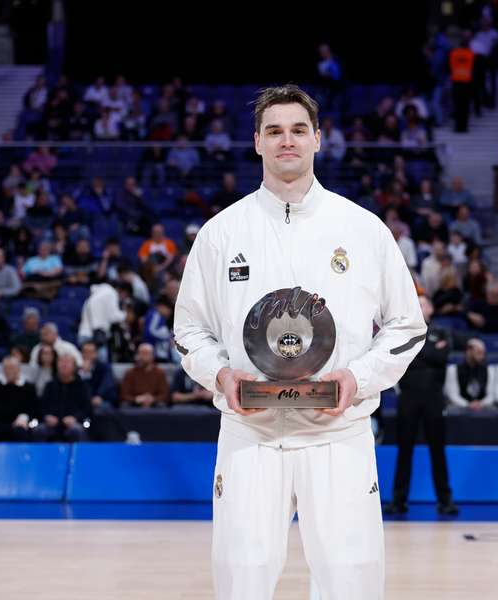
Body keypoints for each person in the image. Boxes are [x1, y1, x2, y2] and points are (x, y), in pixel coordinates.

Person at [174, 85, 426, 599]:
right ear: (257, 143)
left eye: (296, 130)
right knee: (240, 580)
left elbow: (407, 326)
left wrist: (357, 379)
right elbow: (189, 332)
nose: (285, 141)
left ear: (317, 139)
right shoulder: (221, 233)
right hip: (251, 434)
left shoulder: (363, 229)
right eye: (274, 131)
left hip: (339, 434)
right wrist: (221, 374)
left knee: (350, 582)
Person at [386, 295, 459, 517]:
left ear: (431, 308)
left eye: (423, 303)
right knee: (404, 451)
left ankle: (445, 500)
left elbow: (442, 357)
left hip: (434, 398)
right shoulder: (402, 332)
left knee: (438, 450)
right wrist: (430, 350)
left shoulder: (442, 331)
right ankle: (398, 501)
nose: (418, 306)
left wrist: (417, 350)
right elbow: (400, 359)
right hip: (408, 397)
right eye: (415, 302)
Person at [0, 356, 40, 442]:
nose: (9, 371)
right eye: (6, 368)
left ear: (18, 369)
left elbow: (34, 409)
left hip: (19, 423)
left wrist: (24, 417)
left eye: (12, 368)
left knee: (22, 430)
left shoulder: (28, 388)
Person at [33, 353, 90, 442]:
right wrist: (47, 417)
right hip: (52, 424)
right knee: (39, 430)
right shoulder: (50, 385)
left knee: (77, 430)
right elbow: (41, 406)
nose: (64, 364)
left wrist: (75, 418)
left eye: (67, 362)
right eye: (61, 362)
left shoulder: (82, 386)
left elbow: (87, 408)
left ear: (74, 367)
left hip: (73, 423)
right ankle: (39, 456)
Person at [444, 338, 497, 411]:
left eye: (483, 353)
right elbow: (453, 395)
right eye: (479, 352)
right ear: (468, 351)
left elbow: (491, 395)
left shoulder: (489, 370)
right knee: (452, 409)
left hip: (482, 406)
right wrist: (468, 404)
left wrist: (481, 404)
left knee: (493, 409)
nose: (482, 356)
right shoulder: (453, 370)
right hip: (461, 405)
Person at [119, 343, 169, 408]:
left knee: (162, 406)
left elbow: (165, 395)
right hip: (135, 403)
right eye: (141, 353)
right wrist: (136, 399)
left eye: (146, 354)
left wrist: (153, 399)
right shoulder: (130, 373)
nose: (142, 357)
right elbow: (124, 395)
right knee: (124, 406)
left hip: (154, 404)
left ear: (152, 356)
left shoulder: (160, 373)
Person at [449, 36, 474, 132]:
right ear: (467, 45)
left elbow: (450, 66)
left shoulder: (453, 53)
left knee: (457, 106)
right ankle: (464, 127)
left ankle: (458, 127)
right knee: (465, 106)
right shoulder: (471, 54)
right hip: (466, 82)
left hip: (456, 82)